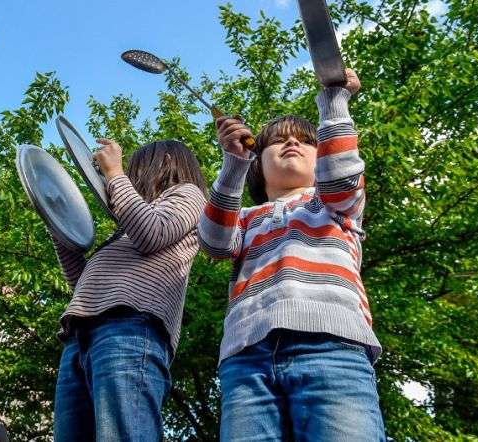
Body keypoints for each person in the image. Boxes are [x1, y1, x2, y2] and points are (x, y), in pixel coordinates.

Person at [198, 68, 386, 440]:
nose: (291, 143)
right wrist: (234, 163)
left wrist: (334, 100)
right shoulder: (245, 217)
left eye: (304, 140)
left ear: (322, 157)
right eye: (277, 141)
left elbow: (341, 175)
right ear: (258, 162)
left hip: (332, 345)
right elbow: (214, 241)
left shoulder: (334, 205)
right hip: (245, 358)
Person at [50, 139, 207, 441]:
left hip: (130, 327)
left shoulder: (188, 195)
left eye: (135, 168)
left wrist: (114, 173)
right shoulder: (125, 231)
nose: (131, 176)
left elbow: (152, 233)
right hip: (81, 334)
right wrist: (58, 223)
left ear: (164, 161)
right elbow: (82, 283)